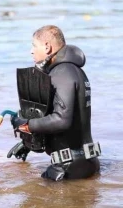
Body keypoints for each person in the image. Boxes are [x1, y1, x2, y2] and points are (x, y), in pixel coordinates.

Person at [6, 25, 100, 181]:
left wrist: (25, 124)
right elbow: (68, 120)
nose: (31, 51)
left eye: (34, 45)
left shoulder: (61, 73)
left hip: (68, 168)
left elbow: (61, 120)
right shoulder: (75, 72)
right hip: (86, 162)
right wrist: (29, 143)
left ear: (47, 47)